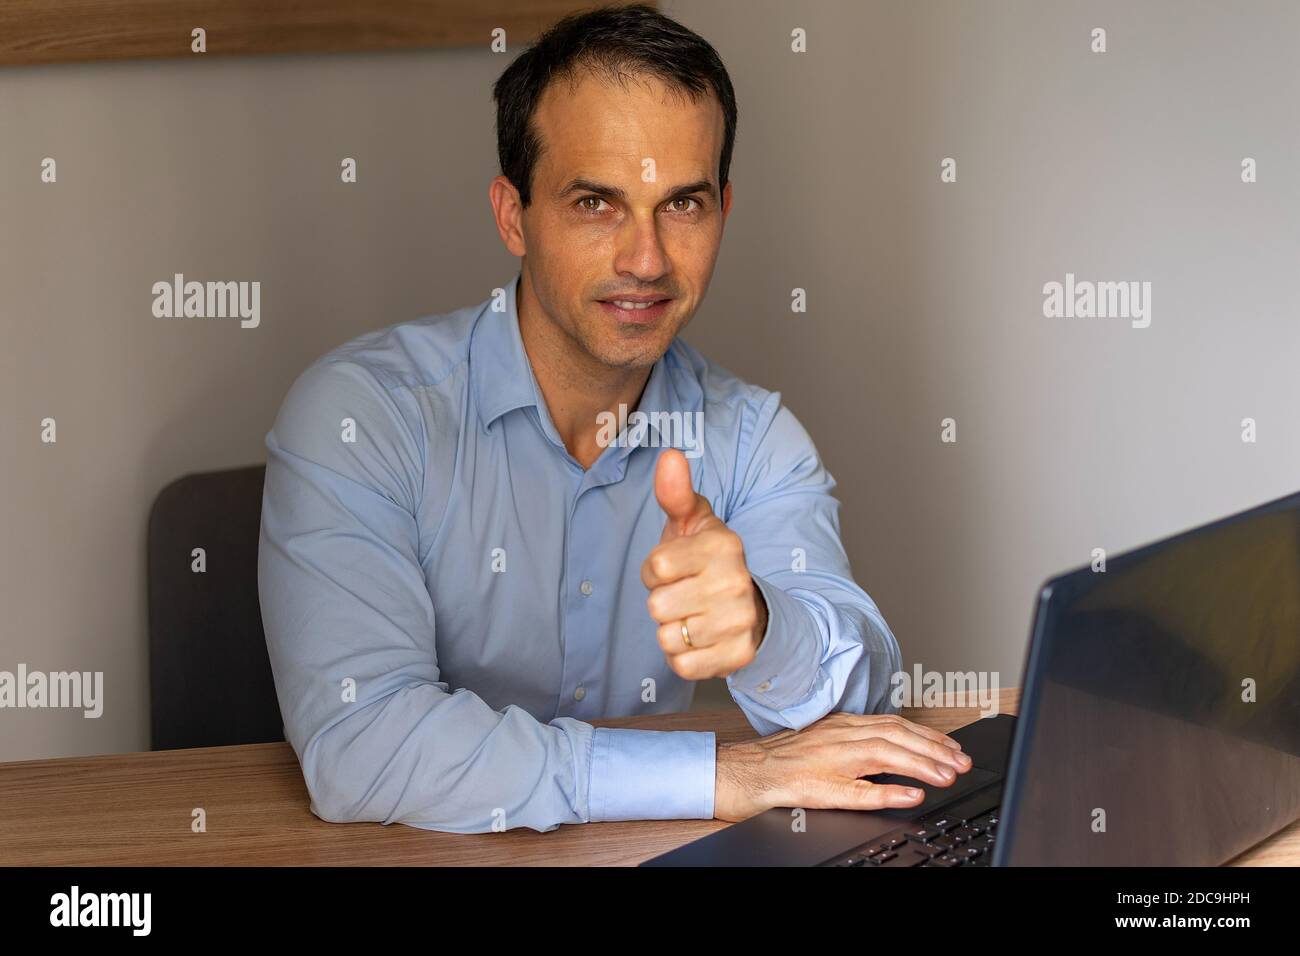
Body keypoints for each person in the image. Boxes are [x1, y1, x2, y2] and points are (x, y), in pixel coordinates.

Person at [258, 3, 971, 834]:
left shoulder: (751, 436)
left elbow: (865, 696)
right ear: (511, 214)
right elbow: (363, 747)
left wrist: (767, 627)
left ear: (724, 212)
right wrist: (724, 776)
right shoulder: (360, 417)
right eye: (596, 203)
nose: (647, 259)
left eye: (683, 205)